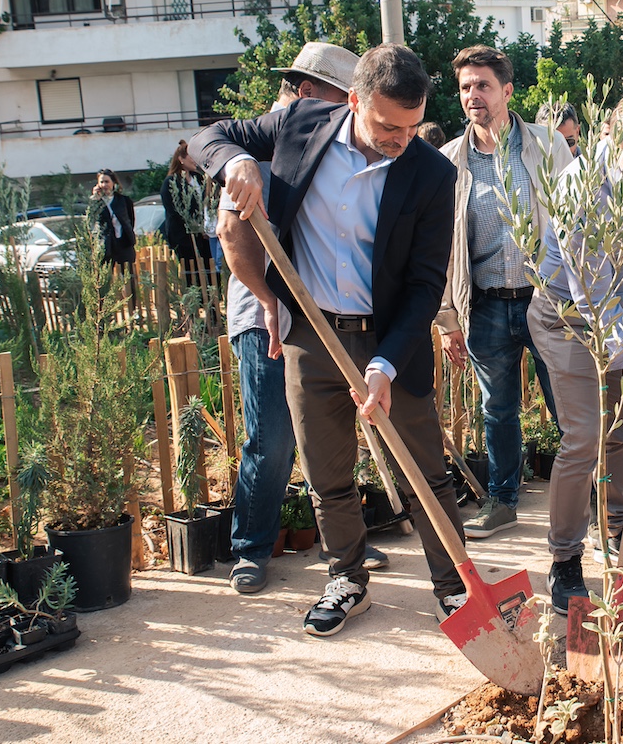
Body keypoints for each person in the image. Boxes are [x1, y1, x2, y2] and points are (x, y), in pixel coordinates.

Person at [192, 43, 467, 636]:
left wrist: (387, 364)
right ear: (353, 101)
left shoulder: (430, 173)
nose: (401, 139)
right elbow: (206, 137)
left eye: (413, 126)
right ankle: (347, 577)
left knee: (426, 471)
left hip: (390, 339)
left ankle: (454, 588)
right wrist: (234, 162)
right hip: (311, 336)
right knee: (327, 471)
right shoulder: (297, 125)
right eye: (389, 126)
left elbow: (424, 285)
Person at [213, 41, 388, 594]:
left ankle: (343, 542)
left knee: (328, 436)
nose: (351, 115)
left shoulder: (335, 148)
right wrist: (269, 299)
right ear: (310, 93)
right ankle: (251, 546)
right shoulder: (260, 152)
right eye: (345, 100)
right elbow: (231, 234)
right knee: (272, 439)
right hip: (264, 313)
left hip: (319, 319)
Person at [530, 83, 623, 615]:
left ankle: (618, 532)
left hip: (621, 308)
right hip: (567, 318)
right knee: (585, 435)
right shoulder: (582, 187)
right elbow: (593, 299)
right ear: (615, 130)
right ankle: (564, 562)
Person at [436, 45, 571, 541]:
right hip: (488, 303)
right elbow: (443, 246)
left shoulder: (545, 146)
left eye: (483, 85)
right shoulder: (449, 161)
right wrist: (448, 317)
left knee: (567, 402)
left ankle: (600, 495)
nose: (473, 95)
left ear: (507, 91)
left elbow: (571, 219)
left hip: (545, 299)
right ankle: (503, 500)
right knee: (498, 409)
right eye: (466, 86)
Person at [161, 140, 214, 286]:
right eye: (191, 157)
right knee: (192, 273)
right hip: (183, 236)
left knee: (208, 270)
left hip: (203, 236)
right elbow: (173, 211)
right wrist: (194, 226)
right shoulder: (171, 182)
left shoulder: (198, 178)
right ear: (181, 159)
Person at [91, 168, 136, 268]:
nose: (104, 185)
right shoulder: (97, 203)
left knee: (128, 275)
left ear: (113, 183)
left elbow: (130, 220)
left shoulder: (123, 200)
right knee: (105, 276)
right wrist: (94, 198)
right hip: (106, 245)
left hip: (124, 242)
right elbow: (92, 220)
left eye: (107, 182)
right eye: (101, 182)